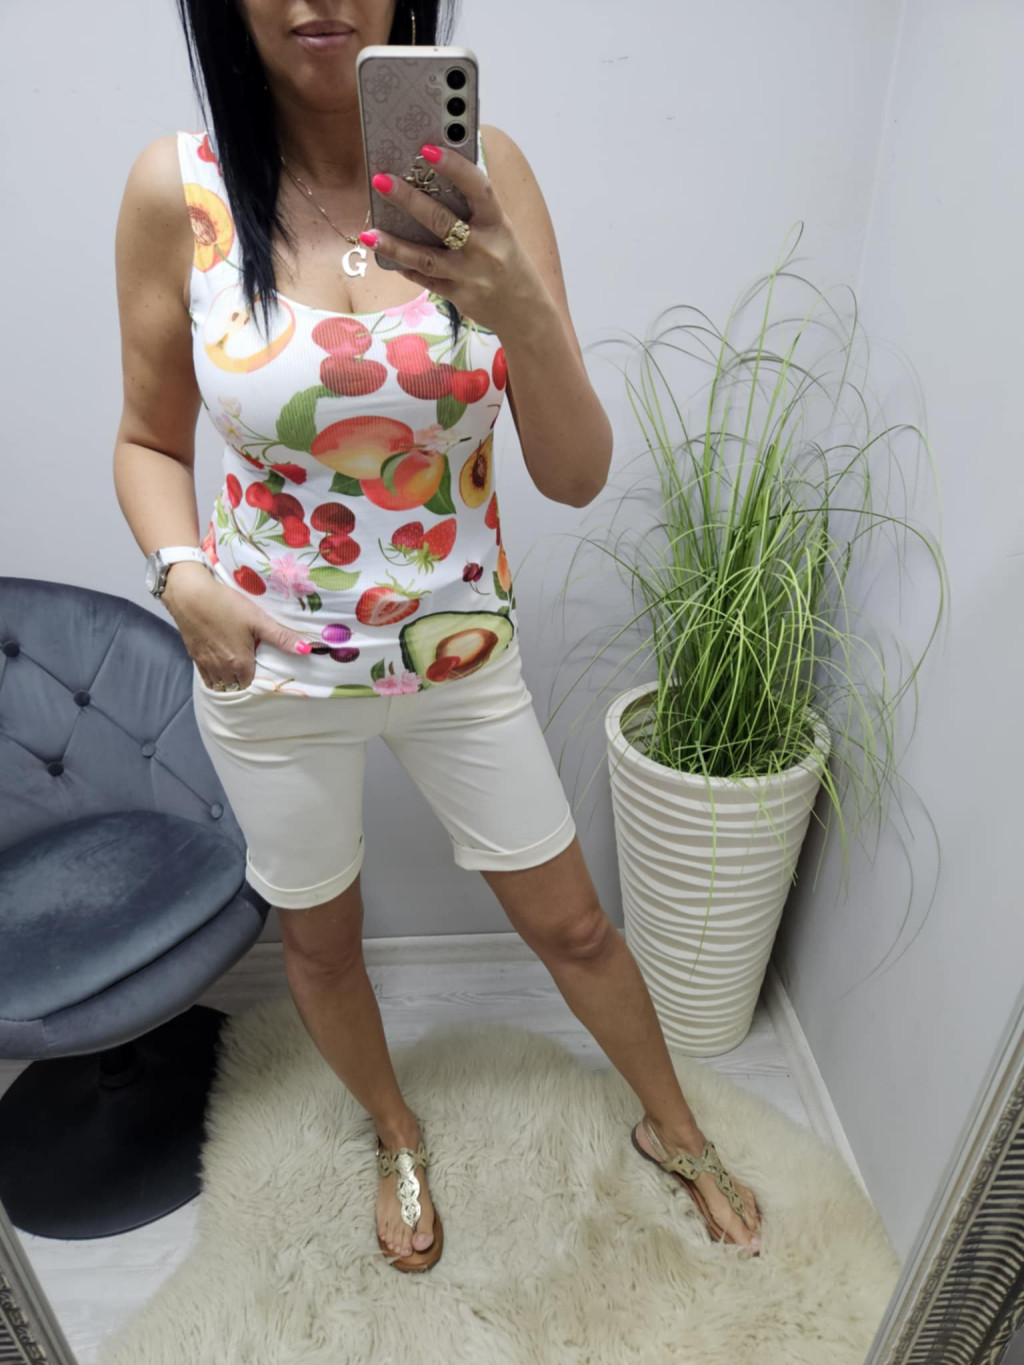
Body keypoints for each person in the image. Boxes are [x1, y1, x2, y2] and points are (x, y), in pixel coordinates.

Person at [112, 0, 762, 1273]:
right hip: (269, 666)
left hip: (457, 655)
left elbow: (573, 474)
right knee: (320, 941)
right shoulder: (176, 192)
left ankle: (675, 1128)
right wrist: (180, 574)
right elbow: (146, 438)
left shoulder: (484, 171)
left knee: (572, 925)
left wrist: (520, 307)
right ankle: (396, 1133)